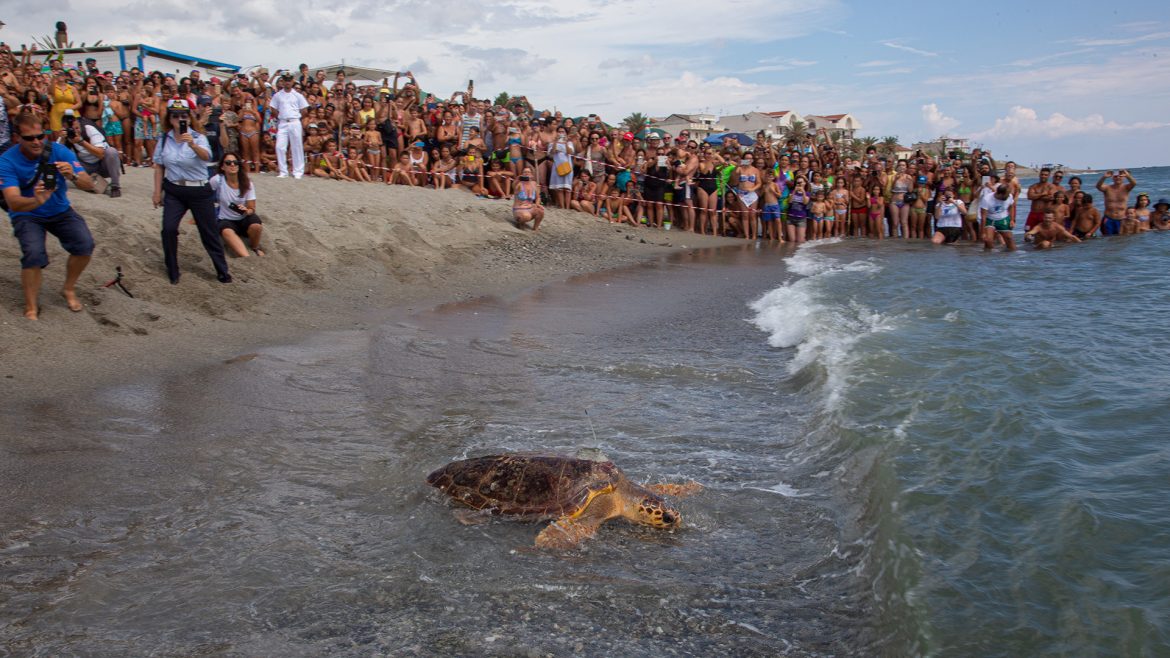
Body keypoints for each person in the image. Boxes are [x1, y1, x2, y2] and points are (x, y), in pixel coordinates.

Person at [0, 113, 97, 319]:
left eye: (40, 136)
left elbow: (90, 185)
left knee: (84, 244)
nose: (36, 142)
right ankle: (31, 306)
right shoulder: (7, 160)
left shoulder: (59, 151)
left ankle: (68, 288)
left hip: (59, 209)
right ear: (17, 137)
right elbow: (13, 201)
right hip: (27, 212)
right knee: (33, 255)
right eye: (29, 138)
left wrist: (72, 174)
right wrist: (37, 200)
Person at [152, 99, 231, 284]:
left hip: (198, 190)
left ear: (189, 117)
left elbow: (207, 157)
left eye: (184, 115)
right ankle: (172, 269)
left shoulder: (198, 137)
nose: (180, 119)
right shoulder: (164, 139)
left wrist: (192, 145)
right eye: (176, 116)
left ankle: (222, 270)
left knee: (209, 232)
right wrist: (157, 192)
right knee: (169, 229)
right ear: (169, 119)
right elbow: (159, 166)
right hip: (174, 189)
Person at [210, 153, 264, 258]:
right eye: (228, 163)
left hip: (243, 218)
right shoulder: (217, 180)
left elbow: (252, 207)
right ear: (222, 167)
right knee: (226, 231)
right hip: (226, 219)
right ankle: (247, 257)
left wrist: (247, 210)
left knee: (257, 226)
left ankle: (255, 247)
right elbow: (205, 195)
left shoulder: (247, 183)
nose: (232, 165)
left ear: (239, 166)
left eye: (235, 162)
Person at [68, 98, 123, 197]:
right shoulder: (66, 136)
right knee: (67, 157)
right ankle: (86, 183)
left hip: (102, 164)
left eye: (77, 128)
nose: (75, 131)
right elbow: (57, 155)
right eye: (72, 129)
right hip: (86, 167)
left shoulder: (89, 130)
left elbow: (101, 154)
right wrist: (62, 139)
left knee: (111, 151)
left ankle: (115, 185)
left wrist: (81, 142)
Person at [270, 73, 309, 178]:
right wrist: (280, 116)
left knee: (296, 146)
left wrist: (296, 117)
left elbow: (304, 109)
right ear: (282, 81)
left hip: (294, 122)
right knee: (280, 146)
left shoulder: (298, 95)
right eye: (285, 80)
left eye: (289, 80)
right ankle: (283, 171)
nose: (287, 82)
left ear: (292, 81)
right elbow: (273, 108)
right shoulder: (278, 95)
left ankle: (298, 171)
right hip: (282, 122)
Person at [1096, 170, 1135, 235]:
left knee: (1122, 239)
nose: (1118, 178)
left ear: (1123, 177)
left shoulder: (1126, 188)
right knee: (1108, 239)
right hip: (1108, 219)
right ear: (1112, 178)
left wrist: (1128, 176)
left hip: (1122, 219)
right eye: (1115, 176)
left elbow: (1134, 183)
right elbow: (1098, 186)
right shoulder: (1107, 188)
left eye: (1120, 176)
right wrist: (1104, 177)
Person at [980, 184, 1016, 252]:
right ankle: (989, 256)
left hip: (1003, 219)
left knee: (1010, 239)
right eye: (1006, 196)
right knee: (988, 240)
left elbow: (1011, 207)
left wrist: (1012, 220)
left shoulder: (1009, 196)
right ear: (999, 194)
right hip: (990, 219)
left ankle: (1011, 257)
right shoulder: (987, 199)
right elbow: (983, 217)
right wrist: (983, 232)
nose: (1008, 197)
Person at [512, 165, 544, 230]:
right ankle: (520, 224)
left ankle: (535, 228)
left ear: (532, 175)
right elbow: (513, 186)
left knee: (541, 211)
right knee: (526, 216)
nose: (527, 173)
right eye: (525, 172)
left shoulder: (534, 184)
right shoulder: (519, 184)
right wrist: (517, 179)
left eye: (528, 172)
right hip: (520, 208)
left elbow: (538, 197)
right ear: (522, 174)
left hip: (530, 207)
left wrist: (537, 204)